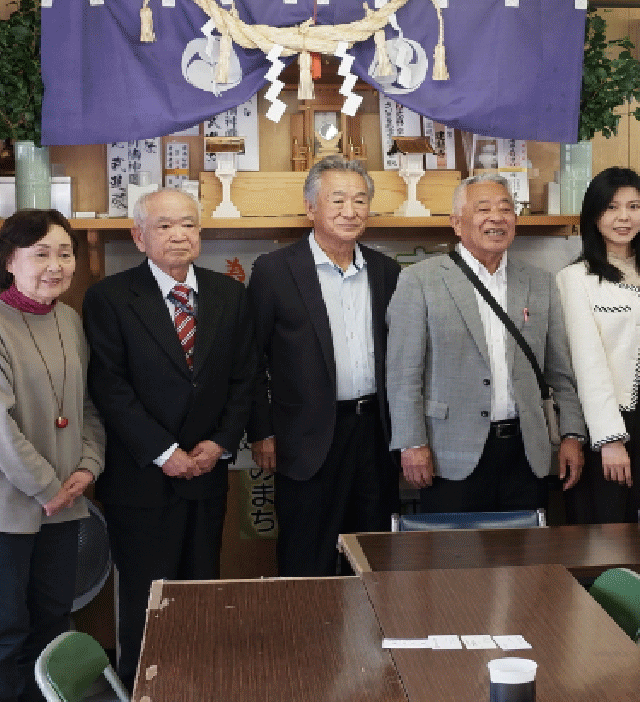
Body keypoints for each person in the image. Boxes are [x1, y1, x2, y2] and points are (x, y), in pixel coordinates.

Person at [82, 189, 256, 686]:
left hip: (206, 473)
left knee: (201, 593)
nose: (179, 235)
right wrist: (164, 452)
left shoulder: (229, 295)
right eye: (164, 226)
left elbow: (244, 378)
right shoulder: (110, 298)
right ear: (139, 237)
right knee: (146, 601)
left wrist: (220, 443)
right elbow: (110, 388)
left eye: (189, 225)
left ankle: (200, 688)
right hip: (141, 480)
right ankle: (144, 689)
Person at [0, 210, 105, 702]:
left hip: (63, 505)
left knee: (53, 627)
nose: (55, 265)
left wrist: (88, 466)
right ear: (9, 261)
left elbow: (86, 406)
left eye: (64, 253)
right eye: (41, 254)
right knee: (0, 634)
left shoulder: (69, 319)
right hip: (0, 507)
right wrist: (48, 487)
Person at [387, 175, 586, 513]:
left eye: (506, 209)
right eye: (483, 209)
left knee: (527, 546)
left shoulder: (539, 282)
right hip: (449, 453)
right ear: (456, 223)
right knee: (456, 547)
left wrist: (572, 435)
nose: (497, 217)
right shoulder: (420, 281)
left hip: (526, 453)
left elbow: (559, 371)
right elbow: (403, 375)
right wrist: (411, 442)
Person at [247, 156, 401, 576]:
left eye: (360, 200)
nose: (350, 211)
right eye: (337, 200)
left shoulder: (386, 271)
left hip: (374, 435)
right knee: (306, 557)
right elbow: (251, 359)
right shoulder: (274, 270)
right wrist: (261, 431)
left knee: (372, 558)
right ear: (310, 206)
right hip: (305, 437)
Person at [555, 167, 640, 524]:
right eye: (611, 207)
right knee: (607, 525)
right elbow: (587, 363)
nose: (624, 217)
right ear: (594, 215)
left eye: (634, 206)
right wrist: (609, 439)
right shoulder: (575, 278)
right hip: (606, 415)